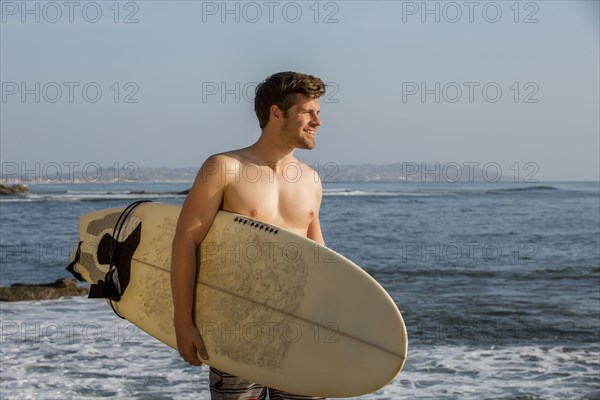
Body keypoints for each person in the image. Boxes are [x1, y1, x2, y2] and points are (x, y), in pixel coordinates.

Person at [170, 71, 327, 400]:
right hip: (237, 329)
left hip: (298, 331)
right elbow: (186, 241)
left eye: (319, 113)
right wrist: (183, 323)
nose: (318, 121)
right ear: (276, 113)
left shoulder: (311, 180)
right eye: (308, 112)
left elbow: (318, 257)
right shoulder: (225, 168)